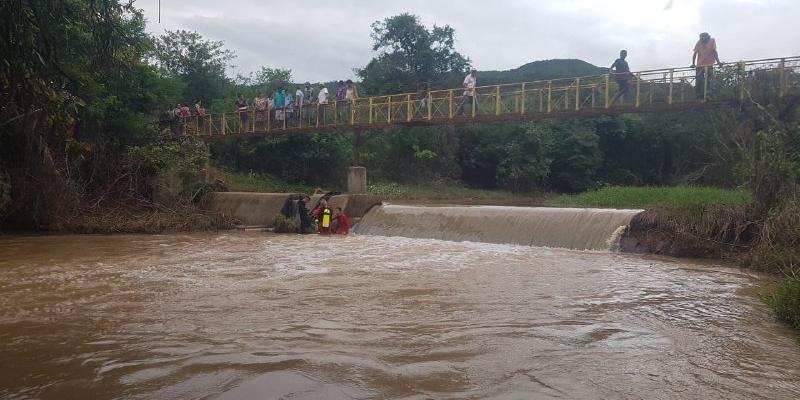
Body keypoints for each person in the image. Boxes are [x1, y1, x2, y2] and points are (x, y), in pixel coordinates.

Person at [691, 32, 722, 100]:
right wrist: (693, 64)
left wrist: (718, 62)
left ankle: (709, 96)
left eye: (704, 38)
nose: (702, 40)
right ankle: (699, 96)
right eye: (701, 38)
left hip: (709, 64)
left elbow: (714, 51)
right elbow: (695, 53)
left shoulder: (712, 40)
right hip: (700, 65)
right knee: (699, 81)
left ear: (708, 37)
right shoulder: (699, 42)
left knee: (710, 80)